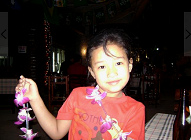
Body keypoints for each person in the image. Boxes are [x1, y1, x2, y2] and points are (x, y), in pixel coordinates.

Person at [15, 29, 145, 140]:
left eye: (118, 63)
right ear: (92, 72)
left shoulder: (135, 109)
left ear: (130, 65)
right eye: (102, 66)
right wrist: (34, 98)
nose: (112, 73)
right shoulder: (78, 95)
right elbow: (56, 132)